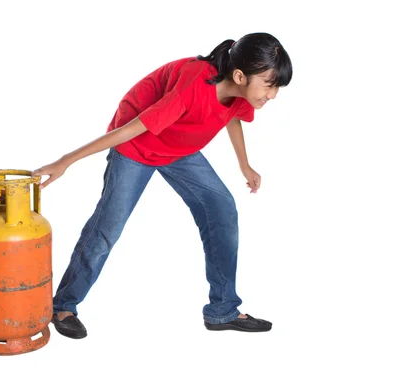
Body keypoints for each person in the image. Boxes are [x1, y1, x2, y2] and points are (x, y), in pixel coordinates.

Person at [32, 32, 292, 339]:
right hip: (136, 143)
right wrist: (66, 160)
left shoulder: (237, 90)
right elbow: (131, 129)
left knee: (222, 208)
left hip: (177, 146)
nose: (273, 94)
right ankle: (63, 305)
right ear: (240, 76)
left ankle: (223, 311)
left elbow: (231, 115)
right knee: (108, 228)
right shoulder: (191, 90)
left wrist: (243, 164)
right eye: (270, 84)